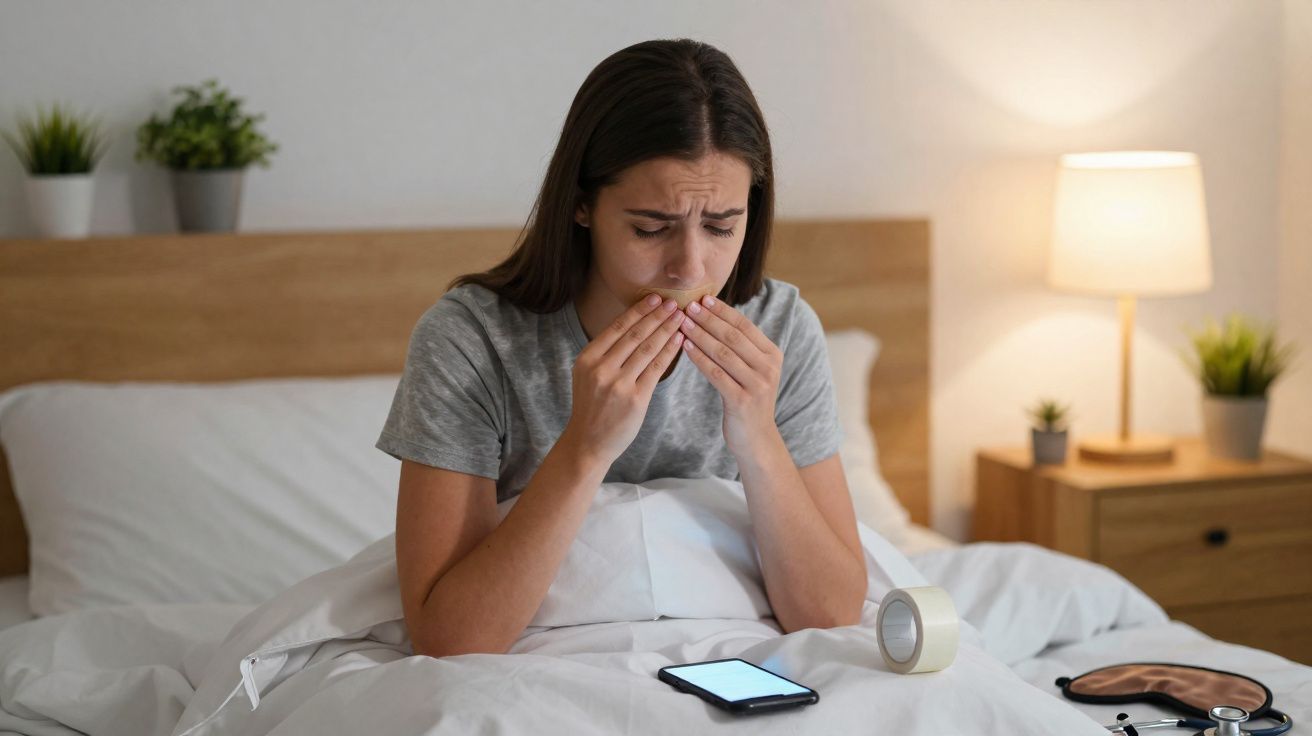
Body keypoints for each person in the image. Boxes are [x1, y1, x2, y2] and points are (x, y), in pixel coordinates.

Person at [376, 38, 867, 659]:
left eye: (721, 227)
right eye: (650, 228)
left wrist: (758, 437)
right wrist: (585, 447)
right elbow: (449, 639)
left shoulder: (782, 327)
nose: (689, 268)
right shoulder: (470, 341)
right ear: (581, 204)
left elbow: (831, 613)